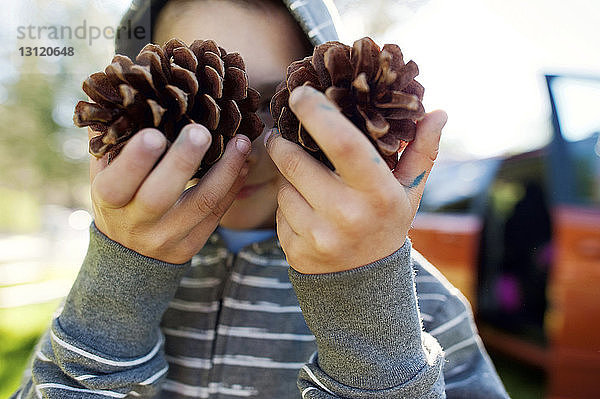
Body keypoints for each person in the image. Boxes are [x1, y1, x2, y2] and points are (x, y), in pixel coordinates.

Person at [12, 0, 510, 397]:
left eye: (274, 105)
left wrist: (367, 311)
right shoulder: (102, 286)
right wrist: (121, 284)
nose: (238, 148)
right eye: (198, 110)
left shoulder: (421, 305)